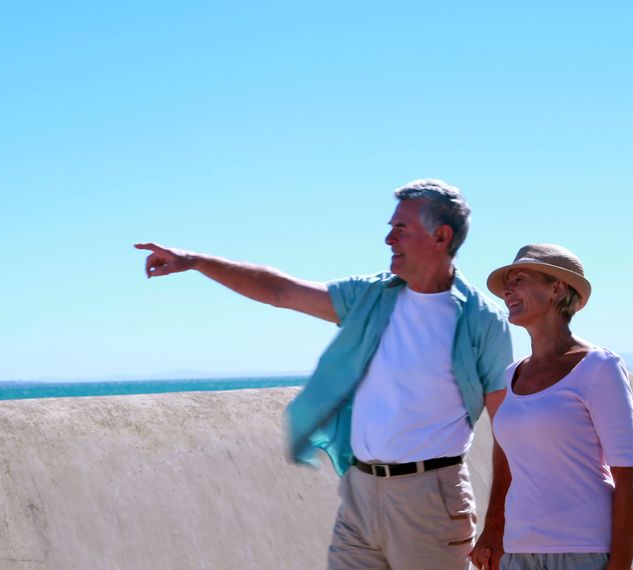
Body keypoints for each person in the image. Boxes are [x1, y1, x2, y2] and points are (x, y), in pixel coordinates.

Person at [135, 179, 513, 569]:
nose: (388, 240)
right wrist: (196, 261)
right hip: (359, 494)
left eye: (400, 229)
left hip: (430, 501)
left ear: (441, 235)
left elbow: (509, 429)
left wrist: (498, 524)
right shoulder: (369, 298)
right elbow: (281, 290)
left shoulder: (481, 322)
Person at [471, 244, 633, 570]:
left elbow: (628, 477)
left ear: (556, 288)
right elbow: (506, 457)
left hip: (584, 551)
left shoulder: (599, 367)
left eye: (519, 279)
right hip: (518, 552)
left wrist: (619, 564)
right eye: (508, 283)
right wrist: (493, 530)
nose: (507, 290)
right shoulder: (511, 375)